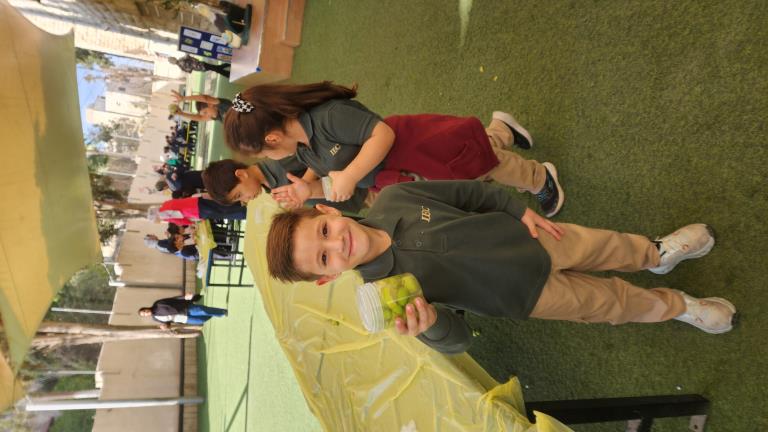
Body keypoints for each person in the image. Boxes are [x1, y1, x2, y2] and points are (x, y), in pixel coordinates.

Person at [265, 180, 736, 354]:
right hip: (525, 297)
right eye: (324, 258)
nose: (337, 243)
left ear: (326, 210)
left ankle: (656, 254)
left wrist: (516, 209)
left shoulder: (393, 198)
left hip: (531, 238)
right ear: (327, 277)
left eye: (324, 231)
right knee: (610, 304)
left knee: (608, 246)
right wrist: (431, 326)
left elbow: (470, 193)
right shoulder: (387, 296)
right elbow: (459, 339)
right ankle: (679, 307)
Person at [223, 81, 565, 217]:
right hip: (404, 171)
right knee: (464, 170)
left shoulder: (327, 117)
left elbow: (381, 134)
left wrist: (351, 175)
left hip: (417, 147)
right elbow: (333, 177)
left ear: (272, 139)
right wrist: (308, 189)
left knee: (477, 164)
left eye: (262, 154)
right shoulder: (304, 151)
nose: (267, 160)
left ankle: (539, 177)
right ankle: (502, 130)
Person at [202, 158, 371, 214]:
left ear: (241, 175)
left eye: (239, 195)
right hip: (347, 198)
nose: (246, 200)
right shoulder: (269, 187)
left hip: (361, 186)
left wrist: (304, 184)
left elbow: (315, 155)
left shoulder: (278, 162)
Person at [138, 294, 227, 328]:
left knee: (203, 311)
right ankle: (214, 313)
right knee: (201, 320)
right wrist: (166, 325)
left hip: (185, 309)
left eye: (144, 311)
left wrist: (184, 297)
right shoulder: (155, 318)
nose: (146, 313)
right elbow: (168, 321)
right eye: (144, 315)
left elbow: (172, 299)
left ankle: (222, 312)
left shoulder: (158, 304)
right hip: (184, 319)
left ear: (146, 308)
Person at [147, 196, 247, 226]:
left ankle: (244, 213)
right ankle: (241, 204)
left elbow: (180, 220)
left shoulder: (164, 215)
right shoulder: (165, 203)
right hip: (195, 201)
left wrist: (192, 223)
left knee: (222, 213)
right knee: (219, 205)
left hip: (195, 211)